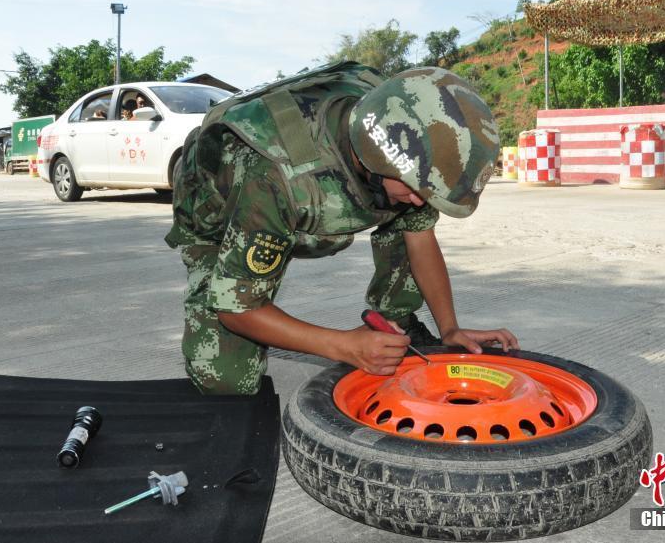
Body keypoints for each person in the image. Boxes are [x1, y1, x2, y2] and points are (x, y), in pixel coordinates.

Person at [166, 63, 520, 395]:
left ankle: (396, 322)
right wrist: (344, 346)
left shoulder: (397, 128)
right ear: (375, 159)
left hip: (298, 199)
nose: (419, 201)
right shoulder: (276, 176)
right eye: (416, 190)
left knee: (404, 212)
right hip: (219, 216)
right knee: (228, 380)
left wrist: (450, 329)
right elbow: (238, 309)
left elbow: (420, 237)